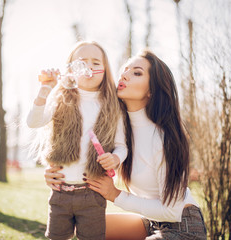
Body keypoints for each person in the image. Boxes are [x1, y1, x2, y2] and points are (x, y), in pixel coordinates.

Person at [45, 50, 207, 240]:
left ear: (151, 90)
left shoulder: (164, 137)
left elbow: (172, 211)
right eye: (125, 70)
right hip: (149, 221)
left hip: (183, 226)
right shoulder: (116, 129)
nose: (124, 75)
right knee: (84, 224)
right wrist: (57, 175)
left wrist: (115, 195)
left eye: (136, 73)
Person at [27, 41, 127, 240]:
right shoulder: (60, 99)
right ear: (70, 70)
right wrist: (45, 90)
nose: (89, 67)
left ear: (105, 70)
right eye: (82, 62)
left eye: (96, 62)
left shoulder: (113, 107)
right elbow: (33, 122)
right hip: (60, 192)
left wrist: (115, 159)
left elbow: (122, 146)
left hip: (93, 194)